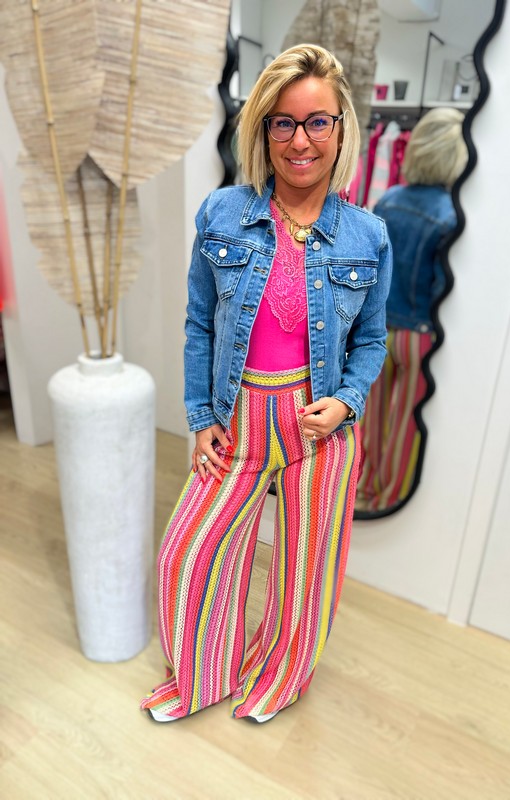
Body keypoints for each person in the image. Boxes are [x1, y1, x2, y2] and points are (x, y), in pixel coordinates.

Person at [141, 44, 392, 723]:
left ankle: (279, 678)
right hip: (240, 418)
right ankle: (201, 678)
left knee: (306, 572)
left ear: (340, 128)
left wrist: (347, 401)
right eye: (283, 122)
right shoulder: (223, 214)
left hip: (320, 427)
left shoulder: (368, 235)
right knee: (188, 555)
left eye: (316, 121)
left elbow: (372, 340)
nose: (300, 140)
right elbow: (200, 323)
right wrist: (201, 416)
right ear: (262, 129)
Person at [355, 107, 467, 513]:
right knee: (405, 423)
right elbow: (442, 288)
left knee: (373, 417)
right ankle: (390, 499)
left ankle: (366, 488)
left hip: (380, 330)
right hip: (419, 334)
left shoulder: (389, 200)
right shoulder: (452, 215)